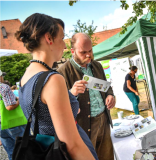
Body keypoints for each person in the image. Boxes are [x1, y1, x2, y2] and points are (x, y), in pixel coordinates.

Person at [15, 13, 98, 160]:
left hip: (47, 150)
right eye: (61, 38)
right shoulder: (52, 79)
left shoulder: (26, 77)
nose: (65, 45)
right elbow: (72, 144)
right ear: (49, 38)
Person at [57, 33, 115, 160]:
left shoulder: (97, 65)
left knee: (107, 156)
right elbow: (58, 106)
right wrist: (71, 93)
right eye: (83, 52)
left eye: (90, 50)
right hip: (83, 126)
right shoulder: (62, 72)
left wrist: (110, 95)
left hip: (104, 120)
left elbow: (107, 87)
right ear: (72, 51)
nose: (88, 55)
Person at [0, 70, 26, 160]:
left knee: (11, 152)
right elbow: (10, 106)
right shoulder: (3, 87)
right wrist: (19, 100)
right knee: (24, 149)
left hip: (1, 126)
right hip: (14, 123)